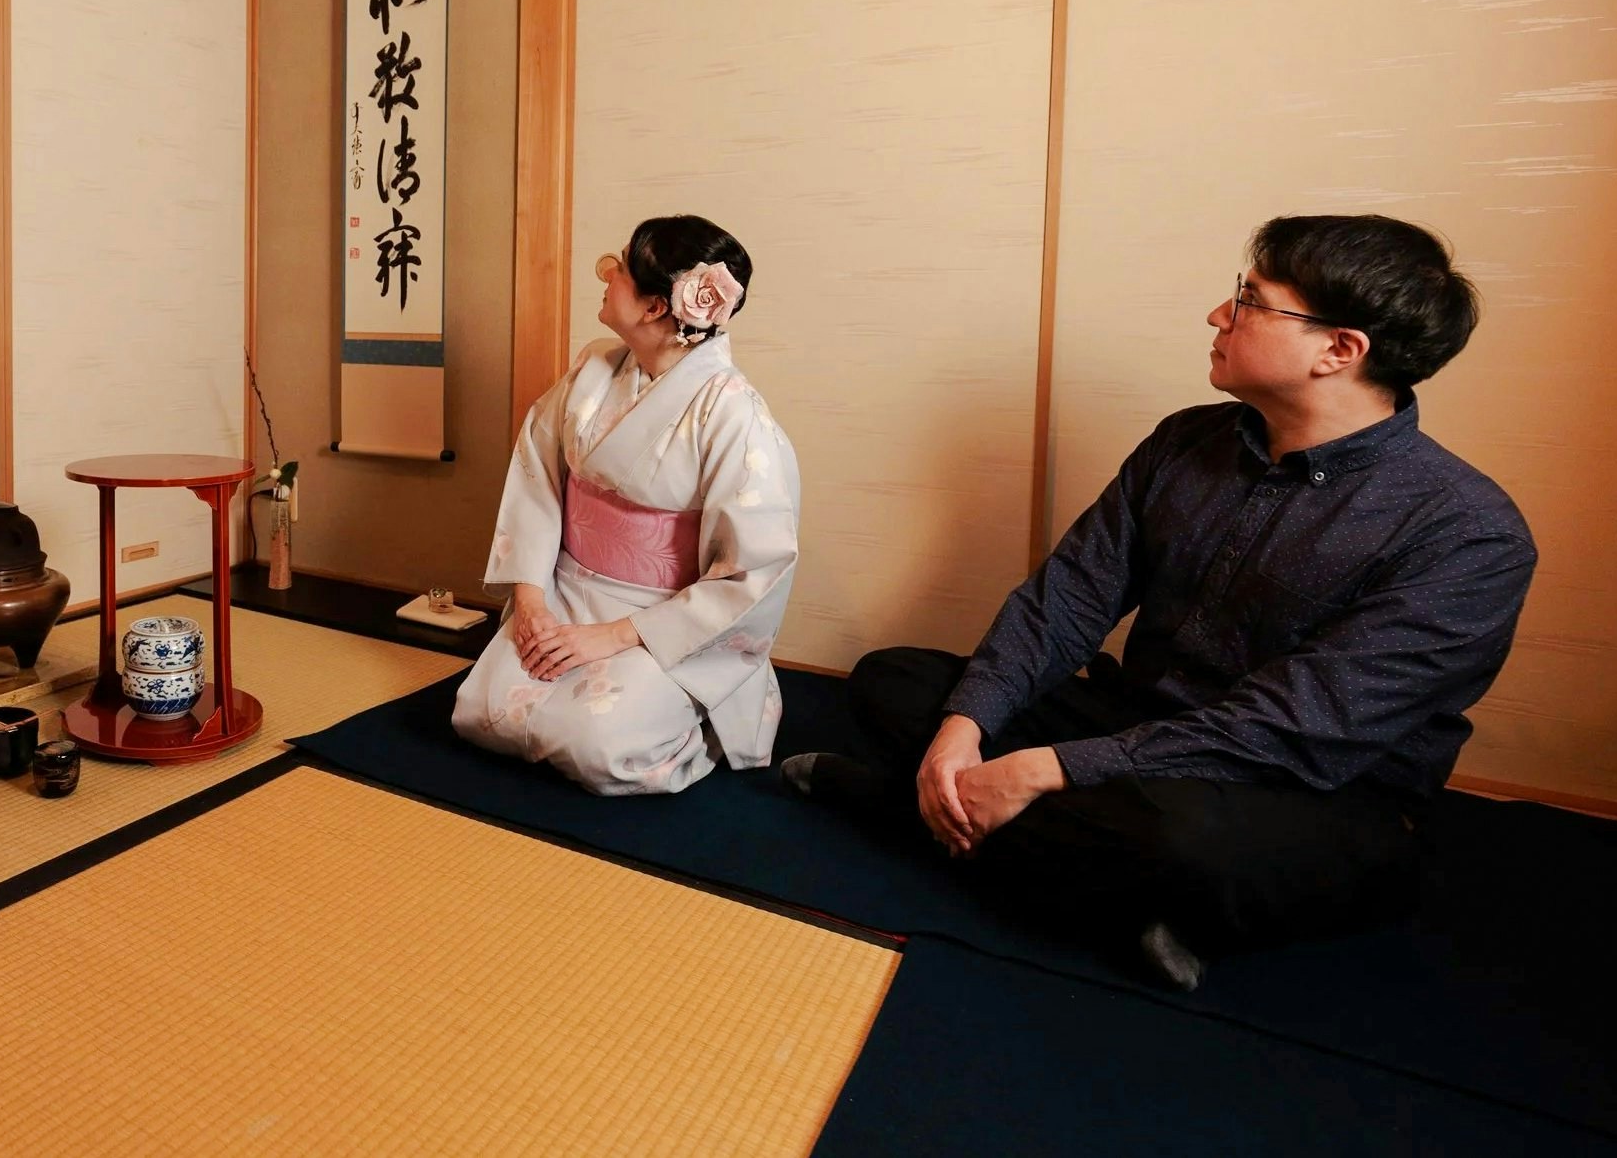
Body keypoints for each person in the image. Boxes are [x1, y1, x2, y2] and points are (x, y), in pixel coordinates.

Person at [784, 215, 1534, 988]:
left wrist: (1043, 770)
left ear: (1338, 349)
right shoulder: (1187, 440)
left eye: (1250, 300)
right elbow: (1065, 599)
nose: (1219, 314)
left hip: (1306, 788)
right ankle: (1100, 894)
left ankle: (899, 810)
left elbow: (1293, 728)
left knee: (1180, 839)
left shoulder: (1468, 533)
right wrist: (964, 728)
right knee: (895, 682)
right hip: (1138, 727)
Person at [452, 215, 801, 794]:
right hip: (566, 590)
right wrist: (531, 599)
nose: (606, 273)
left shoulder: (734, 413)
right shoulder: (594, 367)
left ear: (656, 308)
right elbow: (538, 477)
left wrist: (613, 636)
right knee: (483, 712)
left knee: (598, 747)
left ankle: (704, 719)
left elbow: (752, 568)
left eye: (620, 267)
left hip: (661, 619)